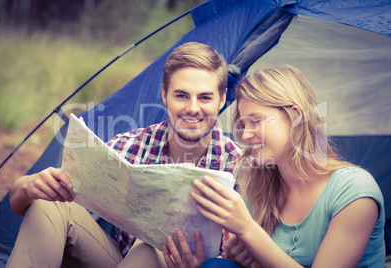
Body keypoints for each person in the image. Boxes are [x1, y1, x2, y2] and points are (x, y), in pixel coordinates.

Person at [6, 42, 242, 268]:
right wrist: (29, 187)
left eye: (205, 97)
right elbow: (17, 201)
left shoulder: (240, 167)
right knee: (49, 204)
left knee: (151, 247)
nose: (192, 108)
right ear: (164, 94)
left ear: (222, 99)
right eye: (181, 95)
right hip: (119, 260)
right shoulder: (130, 146)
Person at [165, 64, 385, 267]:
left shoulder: (354, 191)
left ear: (296, 117)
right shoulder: (259, 187)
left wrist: (247, 229)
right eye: (243, 124)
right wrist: (236, 261)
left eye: (257, 121)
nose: (246, 134)